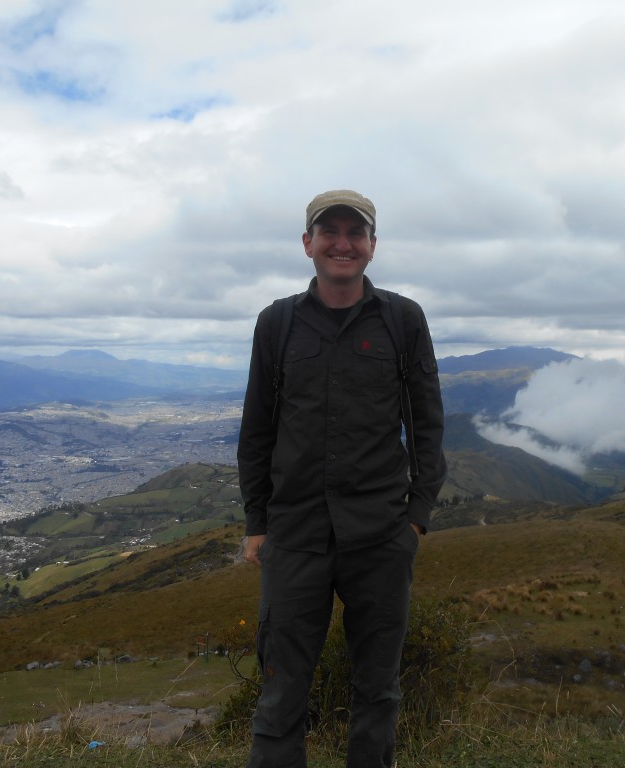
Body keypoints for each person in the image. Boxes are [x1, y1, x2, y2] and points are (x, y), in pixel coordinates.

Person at [237, 189, 447, 768]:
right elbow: (257, 428)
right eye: (328, 232)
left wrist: (416, 519)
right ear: (307, 244)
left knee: (377, 690)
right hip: (296, 535)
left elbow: (427, 423)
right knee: (281, 692)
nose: (342, 243)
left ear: (373, 246)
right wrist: (257, 521)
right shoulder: (276, 324)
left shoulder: (403, 320)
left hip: (381, 536)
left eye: (355, 233)